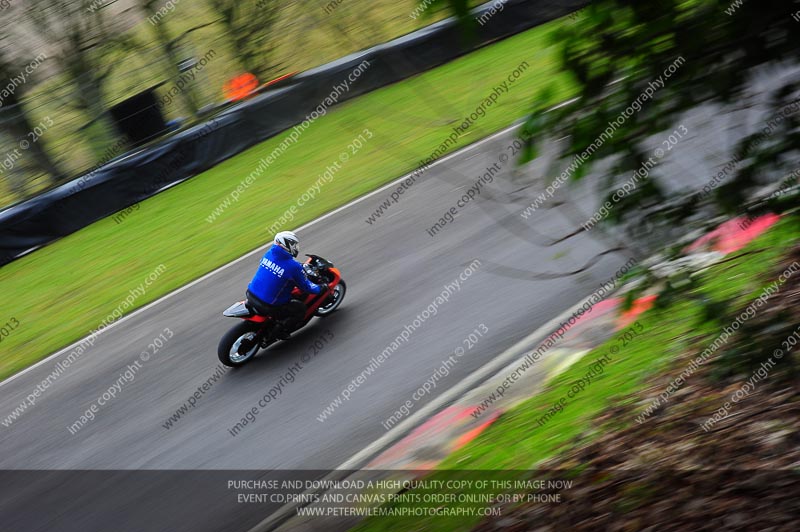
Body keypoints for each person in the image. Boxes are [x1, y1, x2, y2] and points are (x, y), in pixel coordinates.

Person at [246, 231, 327, 339]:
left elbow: (280, 268)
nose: (296, 248)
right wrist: (320, 288)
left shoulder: (269, 253)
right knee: (300, 309)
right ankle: (277, 332)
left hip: (251, 293)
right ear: (287, 245)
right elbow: (306, 287)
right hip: (268, 304)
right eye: (294, 245)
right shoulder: (293, 267)